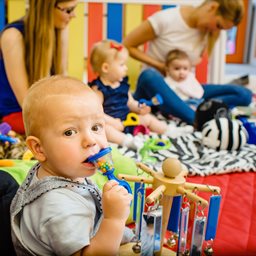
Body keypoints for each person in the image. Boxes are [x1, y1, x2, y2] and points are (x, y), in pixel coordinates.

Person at [10, 75, 134, 255]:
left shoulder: (65, 169)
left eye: (96, 127)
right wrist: (114, 219)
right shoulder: (56, 207)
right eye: (70, 132)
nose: (90, 140)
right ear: (39, 148)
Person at [123, 0, 252, 125]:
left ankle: (187, 108)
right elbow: (127, 45)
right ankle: (197, 120)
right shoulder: (165, 19)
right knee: (149, 75)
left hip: (184, 90)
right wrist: (160, 66)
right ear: (213, 7)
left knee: (243, 94)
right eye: (218, 25)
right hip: (156, 93)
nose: (216, 31)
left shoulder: (206, 32)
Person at [89, 40, 191, 146]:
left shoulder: (122, 85)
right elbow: (97, 113)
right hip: (113, 123)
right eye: (122, 65)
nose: (126, 68)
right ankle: (127, 141)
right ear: (106, 68)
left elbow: (130, 102)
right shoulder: (99, 90)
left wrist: (139, 108)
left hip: (128, 120)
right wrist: (113, 122)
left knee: (148, 118)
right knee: (105, 130)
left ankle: (169, 130)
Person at [0, 0, 77, 134]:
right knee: (73, 125)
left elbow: (61, 78)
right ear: (46, 9)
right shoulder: (13, 36)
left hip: (47, 108)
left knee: (89, 117)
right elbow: (26, 102)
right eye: (68, 10)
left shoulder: (59, 27)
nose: (74, 15)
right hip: (16, 114)